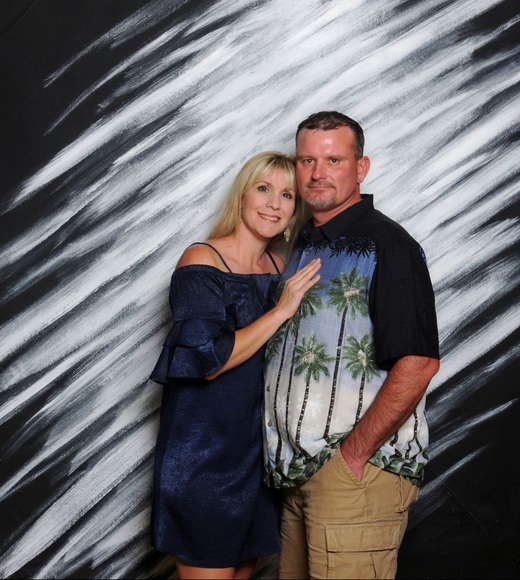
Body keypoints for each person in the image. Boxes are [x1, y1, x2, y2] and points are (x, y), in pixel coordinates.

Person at [263, 112, 440, 579]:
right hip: (298, 474)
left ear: (361, 168)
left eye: (334, 160)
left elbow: (419, 363)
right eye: (307, 160)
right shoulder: (302, 244)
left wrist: (353, 456)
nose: (317, 173)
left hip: (354, 474)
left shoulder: (388, 245)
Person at [149, 151, 322, 580]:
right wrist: (280, 312)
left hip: (258, 457)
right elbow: (207, 360)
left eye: (287, 195)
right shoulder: (201, 261)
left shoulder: (281, 269)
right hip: (203, 459)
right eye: (263, 189)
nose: (274, 204)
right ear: (242, 196)